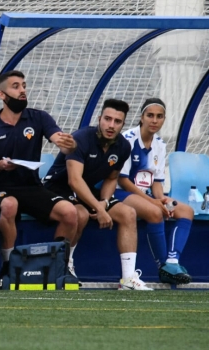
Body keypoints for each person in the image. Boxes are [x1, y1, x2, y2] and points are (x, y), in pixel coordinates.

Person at [0, 70, 79, 279]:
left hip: (31, 188)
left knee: (70, 212)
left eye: (23, 85)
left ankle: (57, 265)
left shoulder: (38, 118)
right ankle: (9, 265)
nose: (22, 90)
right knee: (10, 204)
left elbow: (61, 141)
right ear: (2, 95)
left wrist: (68, 144)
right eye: (15, 86)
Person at [43, 98, 152, 290]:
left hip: (87, 191)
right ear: (99, 118)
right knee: (81, 214)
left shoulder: (123, 146)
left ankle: (128, 280)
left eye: (117, 121)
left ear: (122, 124)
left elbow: (111, 178)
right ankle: (66, 265)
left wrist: (104, 202)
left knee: (129, 213)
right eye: (107, 119)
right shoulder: (82, 138)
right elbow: (74, 180)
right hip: (58, 188)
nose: (111, 125)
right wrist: (98, 208)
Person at [114, 98, 192, 284]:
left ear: (164, 119)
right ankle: (163, 266)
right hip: (121, 193)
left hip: (145, 195)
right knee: (155, 212)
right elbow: (123, 180)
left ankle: (173, 261)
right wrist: (154, 202)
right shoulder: (127, 140)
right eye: (150, 115)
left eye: (159, 116)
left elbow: (156, 182)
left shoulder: (160, 144)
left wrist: (161, 199)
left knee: (186, 210)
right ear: (142, 117)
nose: (154, 120)